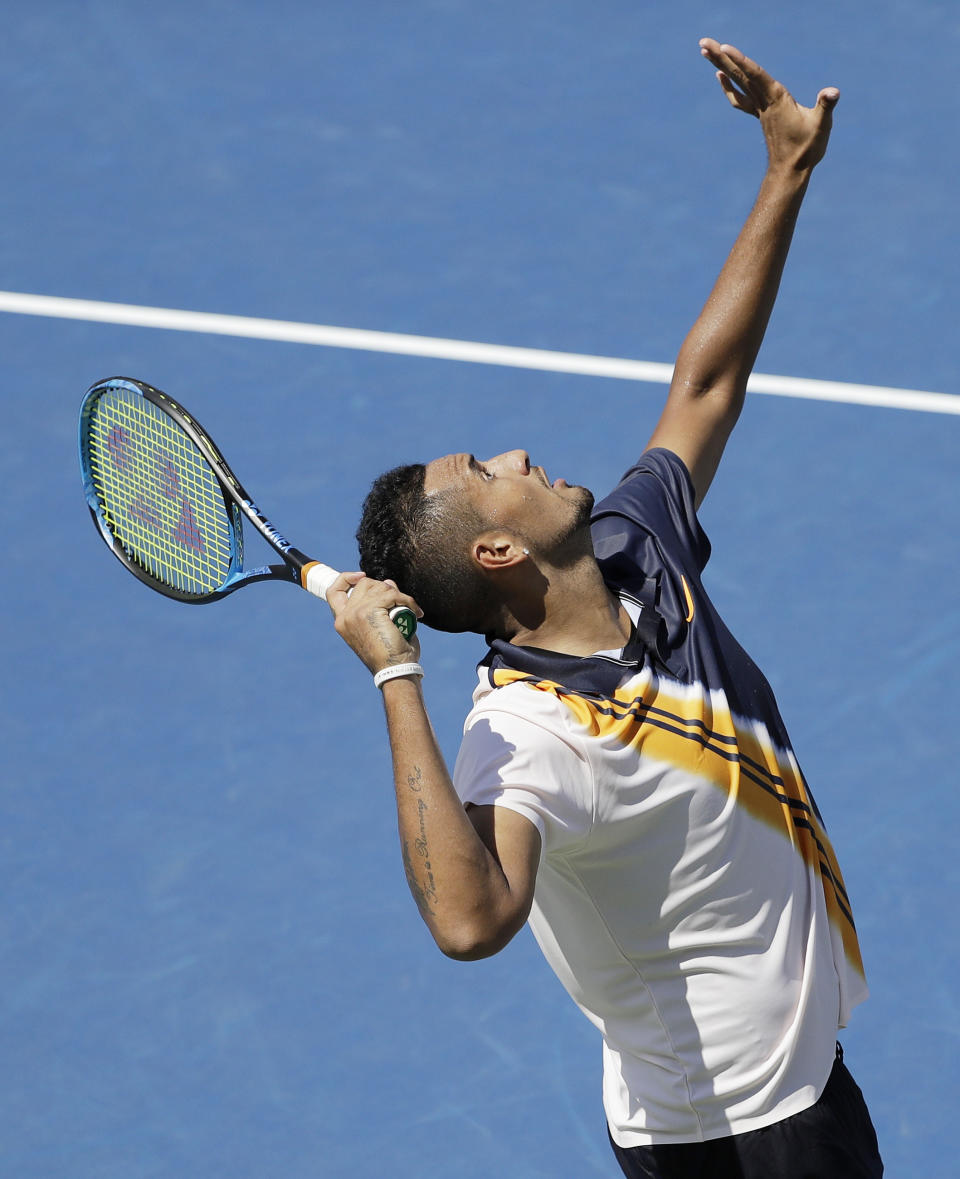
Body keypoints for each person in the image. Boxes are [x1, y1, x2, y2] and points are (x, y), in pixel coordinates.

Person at [327, 39, 883, 1179]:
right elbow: (470, 921)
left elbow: (705, 386)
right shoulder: (527, 737)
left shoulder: (637, 551)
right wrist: (395, 681)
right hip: (731, 1137)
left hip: (806, 1082)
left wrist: (785, 169)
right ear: (494, 547)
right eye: (491, 465)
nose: (522, 450)